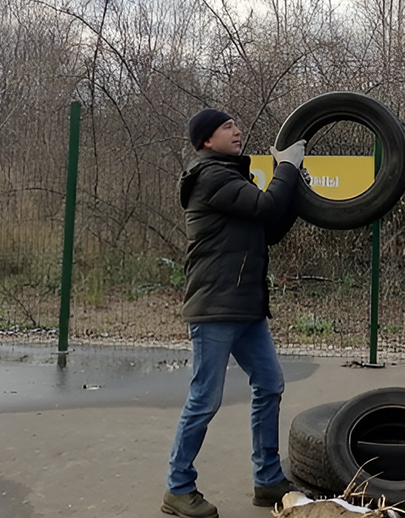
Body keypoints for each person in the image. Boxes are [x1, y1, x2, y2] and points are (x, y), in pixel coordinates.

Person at [162, 108, 306, 518]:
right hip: (215, 307)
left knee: (269, 384)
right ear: (207, 140)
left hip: (246, 307)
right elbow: (264, 206)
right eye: (227, 127)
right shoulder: (211, 177)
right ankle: (177, 488)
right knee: (205, 399)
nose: (237, 130)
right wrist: (286, 170)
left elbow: (270, 226)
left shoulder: (232, 178)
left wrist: (295, 190)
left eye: (236, 125)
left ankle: (267, 481)